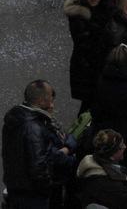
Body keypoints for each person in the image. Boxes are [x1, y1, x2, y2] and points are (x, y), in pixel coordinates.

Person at [2, 80, 76, 209]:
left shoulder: (16, 119)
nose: (53, 105)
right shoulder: (34, 127)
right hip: (33, 196)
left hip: (16, 188)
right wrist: (47, 189)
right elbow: (38, 166)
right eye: (51, 100)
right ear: (42, 101)